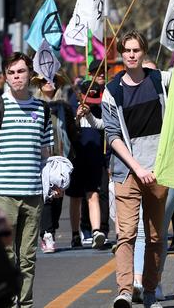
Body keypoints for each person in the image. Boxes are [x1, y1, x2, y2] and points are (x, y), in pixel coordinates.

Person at [103, 31, 173, 308]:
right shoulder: (113, 90)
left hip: (159, 170)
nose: (131, 55)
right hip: (127, 172)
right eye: (127, 51)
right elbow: (113, 135)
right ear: (121, 54)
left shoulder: (159, 80)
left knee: (155, 236)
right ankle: (124, 290)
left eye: (136, 50)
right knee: (126, 234)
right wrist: (137, 167)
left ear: (144, 53)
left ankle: (151, 291)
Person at [0, 52, 55, 308]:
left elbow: (46, 154)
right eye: (11, 73)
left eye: (21, 71)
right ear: (5, 77)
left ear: (30, 74)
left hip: (34, 195)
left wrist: (54, 180)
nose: (16, 77)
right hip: (3, 195)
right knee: (6, 257)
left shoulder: (42, 109)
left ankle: (25, 304)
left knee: (28, 258)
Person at [33, 71, 82, 254]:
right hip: (42, 158)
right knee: (46, 196)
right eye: (44, 80)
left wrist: (79, 118)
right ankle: (47, 234)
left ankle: (50, 229)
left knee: (58, 198)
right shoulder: (34, 106)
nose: (48, 83)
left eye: (52, 80)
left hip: (61, 158)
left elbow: (72, 132)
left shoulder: (64, 107)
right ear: (39, 85)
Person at [72, 77, 108, 250]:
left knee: (93, 194)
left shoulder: (101, 110)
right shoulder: (72, 106)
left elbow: (101, 126)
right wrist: (77, 117)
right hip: (76, 158)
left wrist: (90, 114)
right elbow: (68, 131)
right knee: (76, 197)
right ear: (81, 95)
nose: (92, 103)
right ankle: (74, 234)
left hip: (94, 157)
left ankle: (96, 231)